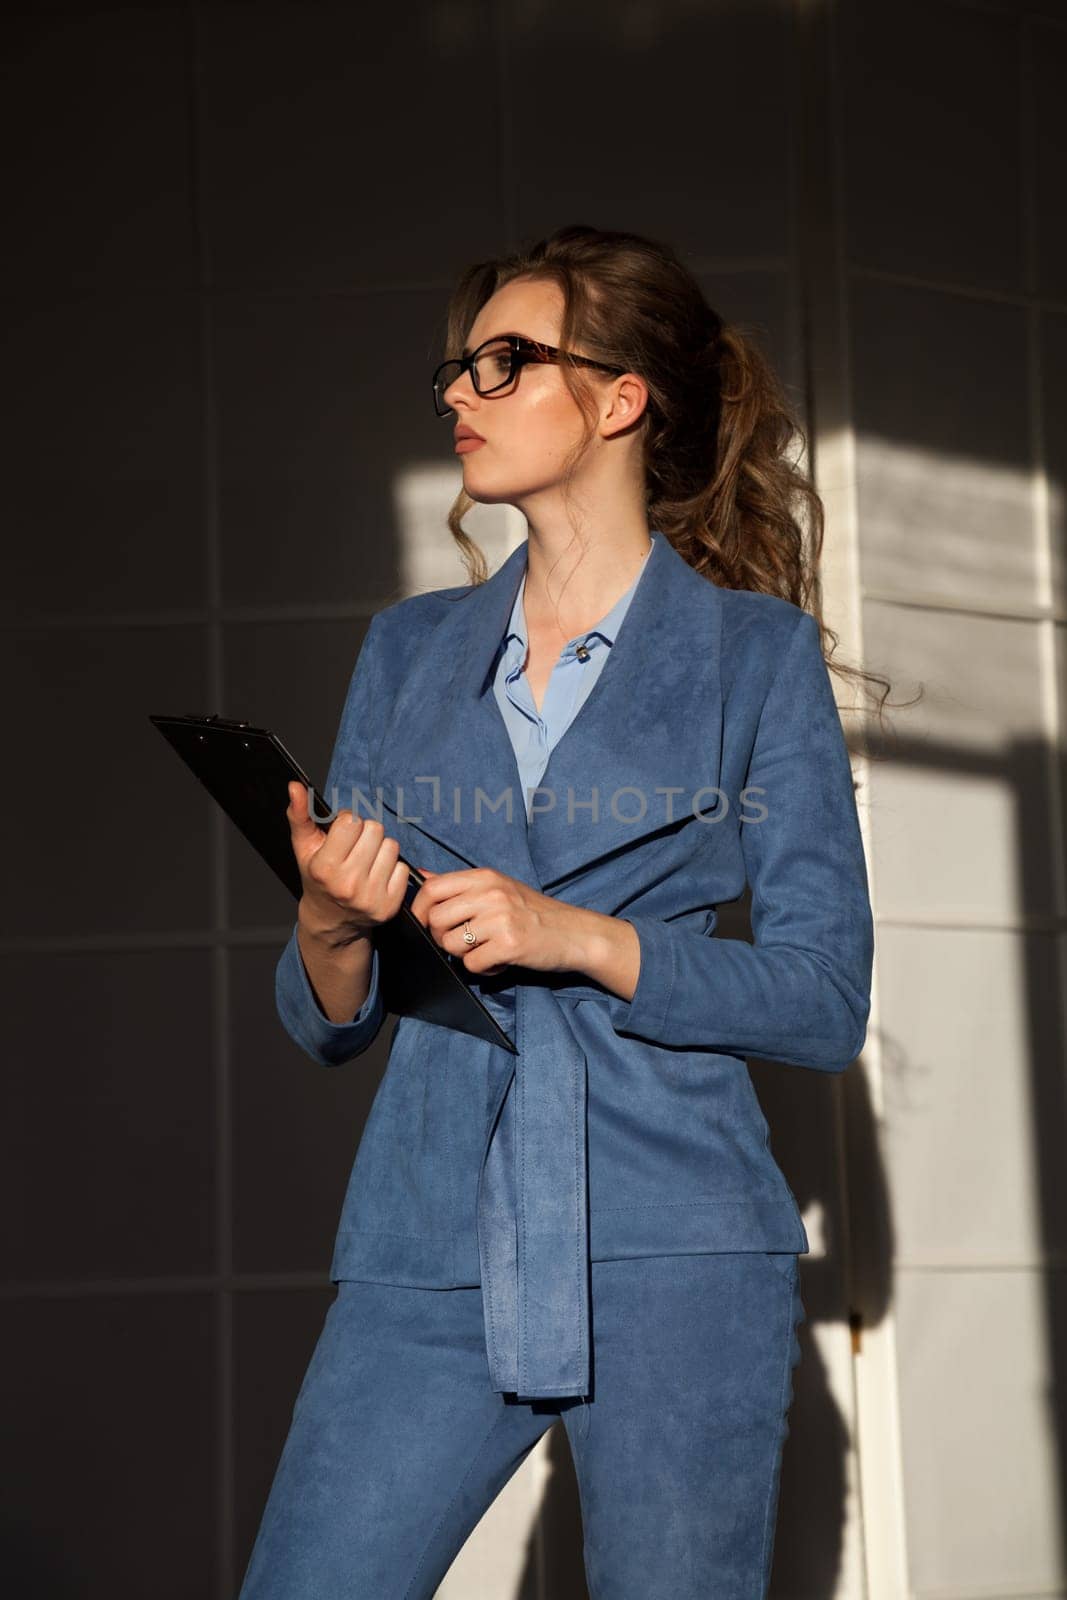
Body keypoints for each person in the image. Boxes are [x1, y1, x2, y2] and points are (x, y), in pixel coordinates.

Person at [238, 224, 880, 1599]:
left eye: (504, 364)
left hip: (677, 1245)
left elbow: (826, 1002)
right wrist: (332, 925)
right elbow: (324, 1025)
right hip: (431, 1232)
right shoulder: (406, 650)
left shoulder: (755, 659)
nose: (459, 396)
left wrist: (578, 937)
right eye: (456, 373)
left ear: (621, 397)